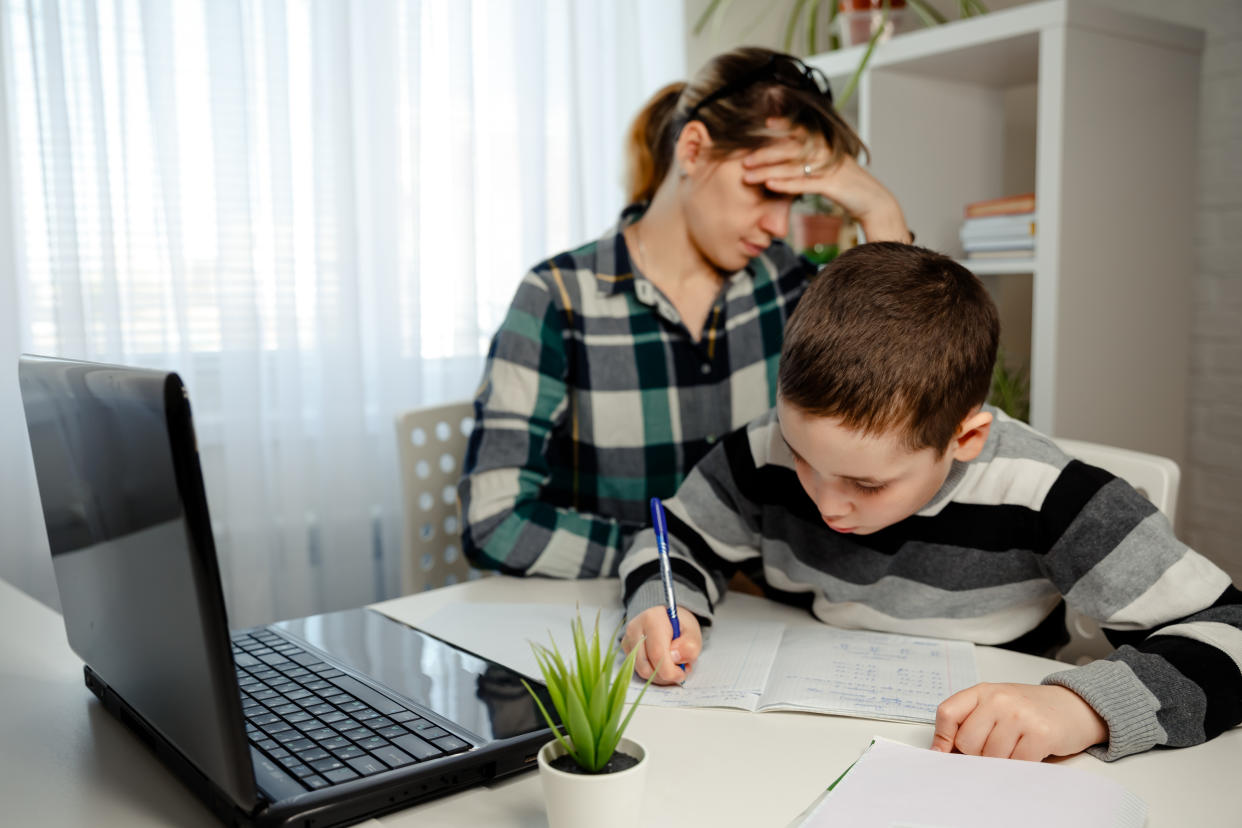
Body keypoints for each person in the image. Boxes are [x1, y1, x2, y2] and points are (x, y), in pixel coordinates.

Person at [619, 242, 1242, 762]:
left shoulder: (1050, 494)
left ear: (964, 438)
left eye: (867, 484)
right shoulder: (765, 450)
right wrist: (660, 604)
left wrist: (1081, 707)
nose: (826, 502)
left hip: (977, 760)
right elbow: (672, 535)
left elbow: (1231, 632)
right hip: (787, 742)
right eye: (801, 454)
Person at [460, 47, 912, 578]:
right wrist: (680, 557)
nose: (777, 226)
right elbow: (494, 523)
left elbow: (906, 397)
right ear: (693, 149)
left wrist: (879, 212)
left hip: (757, 631)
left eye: (794, 201)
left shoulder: (788, 285)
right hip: (602, 630)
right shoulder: (557, 299)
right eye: (765, 190)